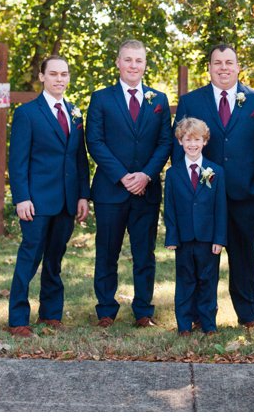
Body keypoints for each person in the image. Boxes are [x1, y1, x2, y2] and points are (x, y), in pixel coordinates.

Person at [173, 43, 254, 330]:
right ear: (209, 67)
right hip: (201, 197)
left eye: (229, 62)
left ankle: (248, 316)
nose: (223, 68)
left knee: (243, 257)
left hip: (246, 194)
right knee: (202, 259)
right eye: (217, 63)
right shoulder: (192, 101)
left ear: (238, 66)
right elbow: (178, 147)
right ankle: (197, 316)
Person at [87, 39, 173, 328]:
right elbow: (95, 142)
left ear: (145, 64)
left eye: (139, 60)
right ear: (118, 62)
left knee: (144, 253)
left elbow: (165, 143)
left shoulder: (158, 100)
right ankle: (106, 311)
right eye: (128, 59)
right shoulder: (101, 98)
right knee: (107, 250)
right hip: (111, 189)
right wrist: (123, 176)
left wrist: (146, 175)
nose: (133, 65)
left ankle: (143, 311)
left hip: (146, 190)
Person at [6, 55, 90, 336]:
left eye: (64, 74)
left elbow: (80, 158)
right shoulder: (27, 113)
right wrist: (22, 198)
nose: (59, 79)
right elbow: (17, 161)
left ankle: (51, 313)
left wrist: (82, 195)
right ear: (42, 77)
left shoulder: (75, 113)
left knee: (55, 258)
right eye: (53, 74)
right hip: (36, 201)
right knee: (30, 257)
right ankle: (18, 318)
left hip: (67, 200)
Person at [164, 117, 226, 336]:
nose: (192, 144)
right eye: (187, 140)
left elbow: (220, 208)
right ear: (180, 141)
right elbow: (169, 207)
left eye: (197, 140)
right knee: (185, 281)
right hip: (183, 238)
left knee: (208, 281)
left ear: (205, 141)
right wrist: (172, 237)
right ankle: (184, 325)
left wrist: (220, 238)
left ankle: (208, 324)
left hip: (208, 238)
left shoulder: (216, 171)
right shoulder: (173, 173)